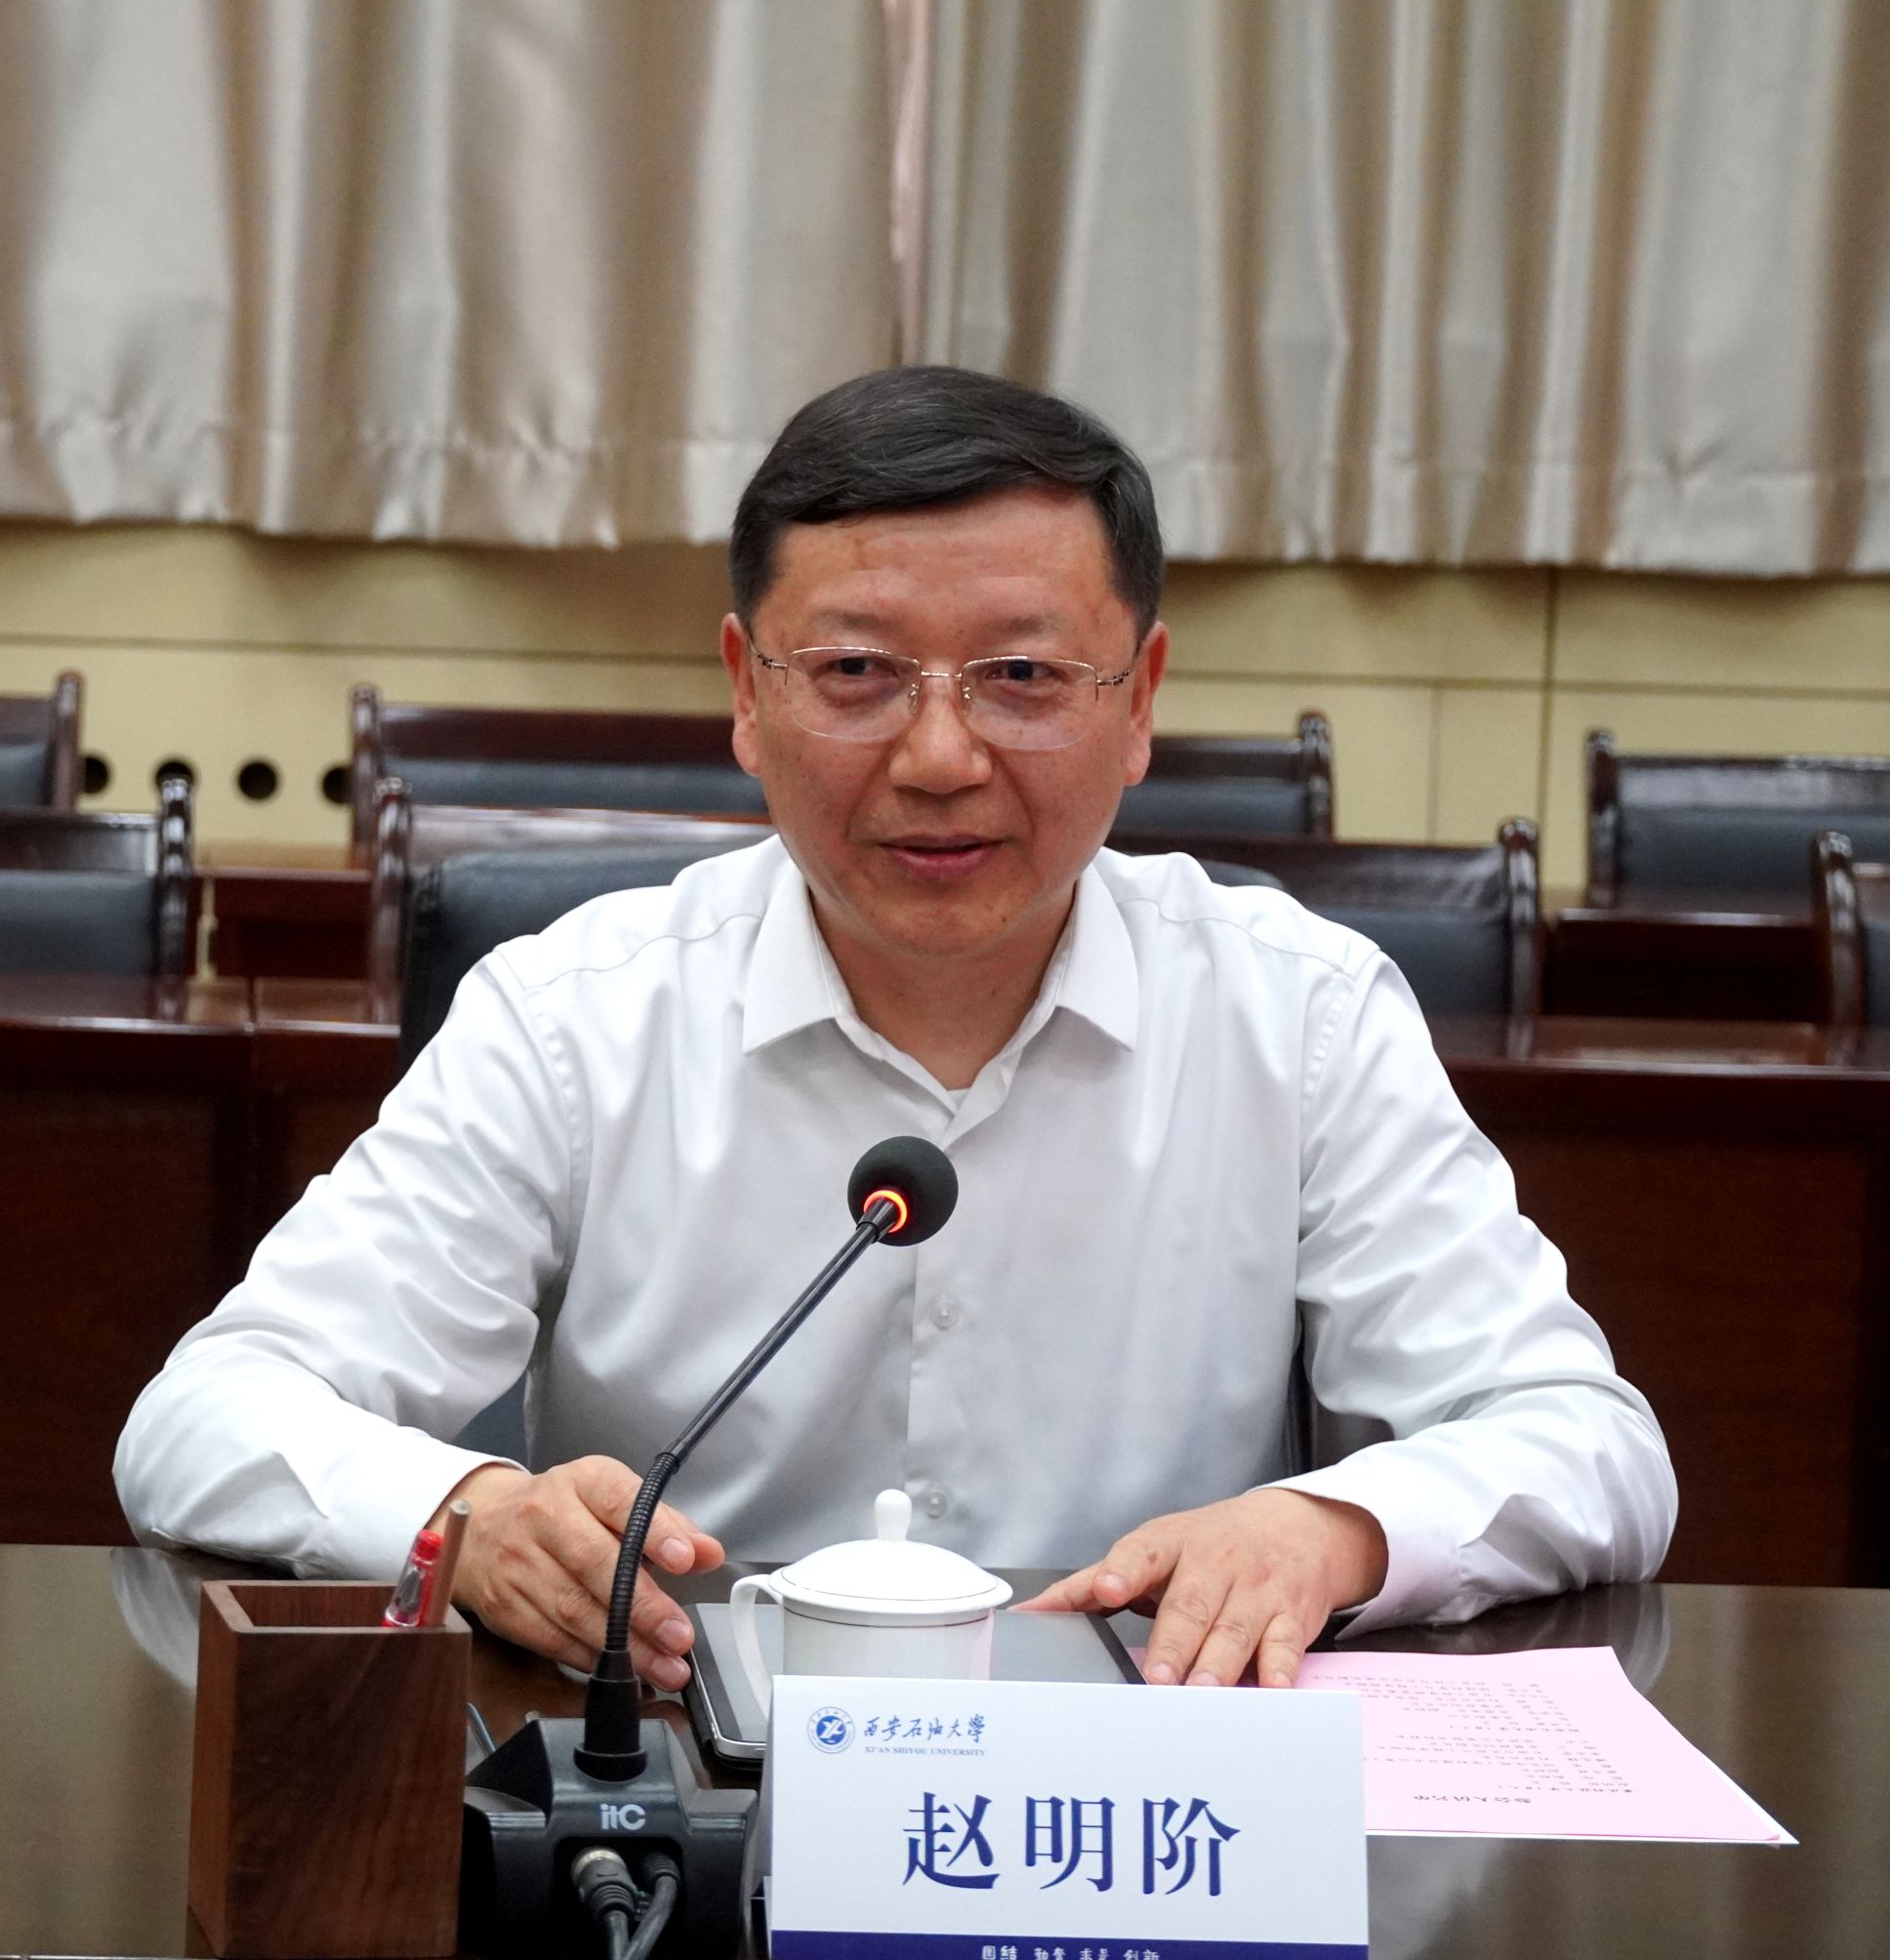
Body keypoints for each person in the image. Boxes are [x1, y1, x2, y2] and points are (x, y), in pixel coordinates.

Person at [116, 366, 1674, 1693]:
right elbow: (206, 1416)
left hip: (1140, 1810)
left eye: (1022, 675)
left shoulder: (1300, 1018)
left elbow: (1585, 1439)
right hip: (685, 1800)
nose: (939, 755)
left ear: (1139, 700)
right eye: (857, 672)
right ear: (747, 691)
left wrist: (1332, 1528)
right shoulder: (577, 1016)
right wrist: (461, 1512)